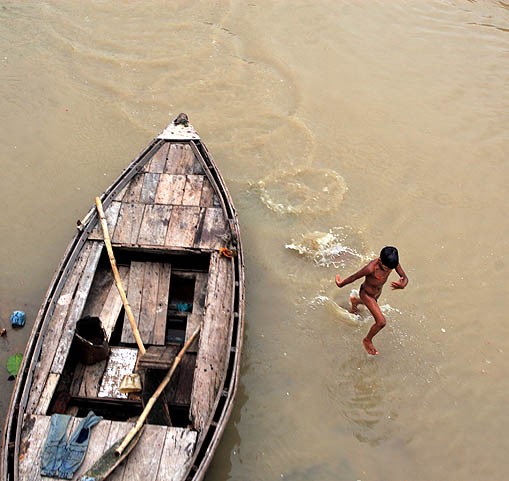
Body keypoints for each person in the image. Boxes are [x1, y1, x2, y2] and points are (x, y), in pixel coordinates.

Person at [335, 246, 408, 355]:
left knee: (370, 305)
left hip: (377, 293)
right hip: (366, 294)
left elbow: (404, 277)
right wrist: (341, 284)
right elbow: (354, 277)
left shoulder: (392, 263)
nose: (388, 270)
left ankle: (355, 301)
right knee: (381, 322)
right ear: (380, 260)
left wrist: (403, 284)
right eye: (386, 268)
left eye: (390, 269)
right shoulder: (371, 268)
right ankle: (367, 340)